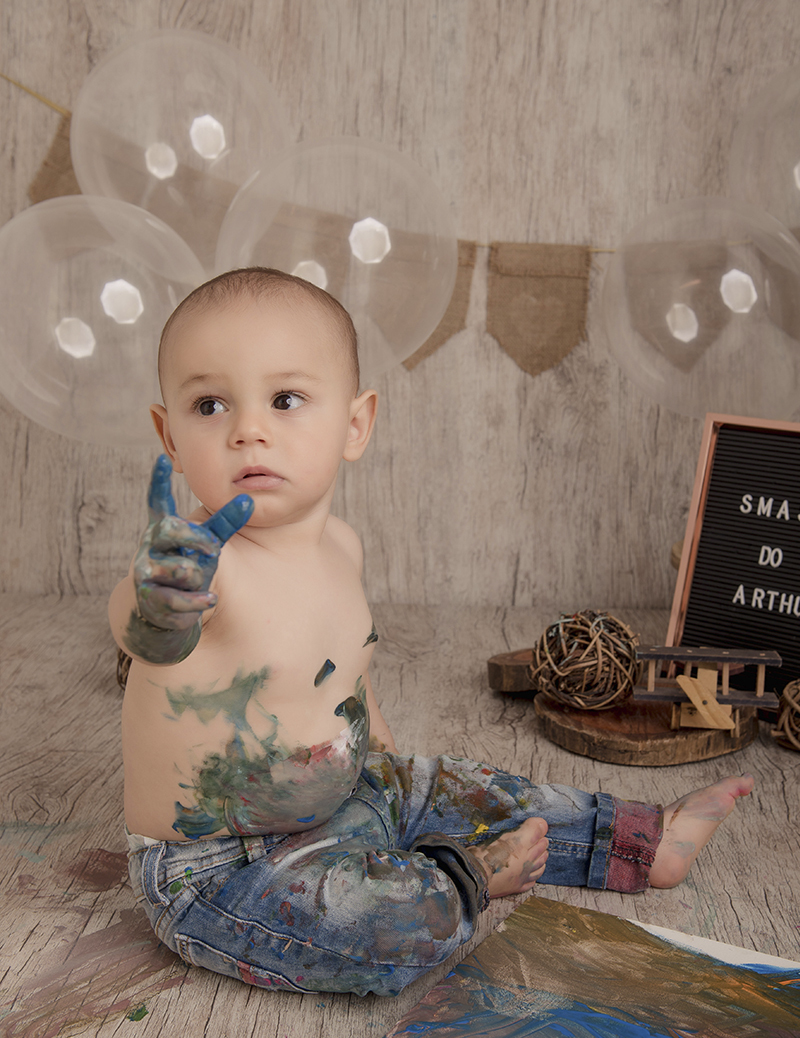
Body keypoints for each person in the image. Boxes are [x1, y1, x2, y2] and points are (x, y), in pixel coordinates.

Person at [110, 267, 752, 997]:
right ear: (169, 435)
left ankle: (642, 843)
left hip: (349, 799)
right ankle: (463, 881)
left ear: (355, 425)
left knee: (465, 787)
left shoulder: (342, 546)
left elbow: (348, 674)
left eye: (285, 400)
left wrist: (389, 767)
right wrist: (159, 599)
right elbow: (144, 634)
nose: (247, 429)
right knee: (396, 928)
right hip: (224, 870)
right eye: (209, 404)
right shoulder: (199, 568)